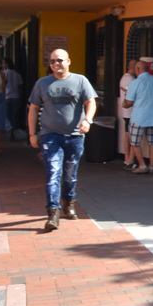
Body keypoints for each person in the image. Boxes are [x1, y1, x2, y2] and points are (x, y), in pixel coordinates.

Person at [28, 49, 97, 231]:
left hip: (75, 135)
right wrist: (32, 133)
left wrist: (87, 120)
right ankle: (53, 212)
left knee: (70, 174)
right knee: (53, 172)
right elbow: (33, 108)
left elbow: (91, 102)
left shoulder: (80, 80)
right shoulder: (42, 83)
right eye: (52, 61)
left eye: (59, 60)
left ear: (68, 61)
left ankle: (69, 202)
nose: (55, 64)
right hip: (50, 135)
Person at [124, 59, 153, 174]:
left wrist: (124, 102)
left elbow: (129, 102)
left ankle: (142, 165)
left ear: (137, 69)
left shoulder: (135, 83)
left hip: (139, 117)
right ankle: (151, 166)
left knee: (135, 143)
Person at [119, 58, 138, 170]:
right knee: (131, 136)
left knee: (127, 134)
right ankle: (130, 160)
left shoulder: (124, 78)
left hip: (126, 112)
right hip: (131, 112)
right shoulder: (131, 80)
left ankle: (127, 159)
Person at [2, 57, 23, 139]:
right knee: (13, 115)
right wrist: (20, 97)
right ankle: (12, 128)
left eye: (3, 63)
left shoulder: (4, 74)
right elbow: (20, 86)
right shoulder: (17, 74)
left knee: (6, 115)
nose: (2, 65)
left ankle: (9, 127)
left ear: (6, 64)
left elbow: (3, 84)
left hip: (7, 96)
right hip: (15, 96)